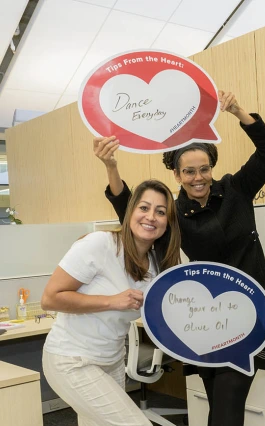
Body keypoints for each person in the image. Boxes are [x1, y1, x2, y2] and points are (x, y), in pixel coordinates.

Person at [93, 90, 265, 426]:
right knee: (219, 410)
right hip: (202, 322)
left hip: (251, 316)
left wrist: (238, 111)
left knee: (226, 413)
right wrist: (111, 165)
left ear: (212, 167)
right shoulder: (174, 212)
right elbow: (129, 210)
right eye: (189, 172)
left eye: (204, 169)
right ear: (177, 175)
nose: (198, 178)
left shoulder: (237, 191)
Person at [41, 179, 181, 426]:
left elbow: (182, 313)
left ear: (167, 222)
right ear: (130, 212)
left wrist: (248, 333)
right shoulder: (100, 244)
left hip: (113, 360)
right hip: (72, 359)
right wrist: (112, 301)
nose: (151, 217)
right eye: (144, 208)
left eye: (160, 212)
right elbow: (50, 298)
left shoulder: (158, 265)